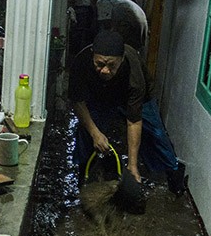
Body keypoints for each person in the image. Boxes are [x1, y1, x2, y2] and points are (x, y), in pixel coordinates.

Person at [70, 28, 186, 195]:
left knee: (156, 134)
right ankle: (84, 173)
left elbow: (134, 121)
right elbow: (78, 102)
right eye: (100, 64)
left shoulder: (133, 72)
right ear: (92, 54)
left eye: (112, 65)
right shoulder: (81, 62)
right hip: (98, 95)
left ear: (122, 59)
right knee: (86, 131)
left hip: (134, 96)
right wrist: (95, 133)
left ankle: (174, 175)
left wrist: (132, 165)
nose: (105, 70)